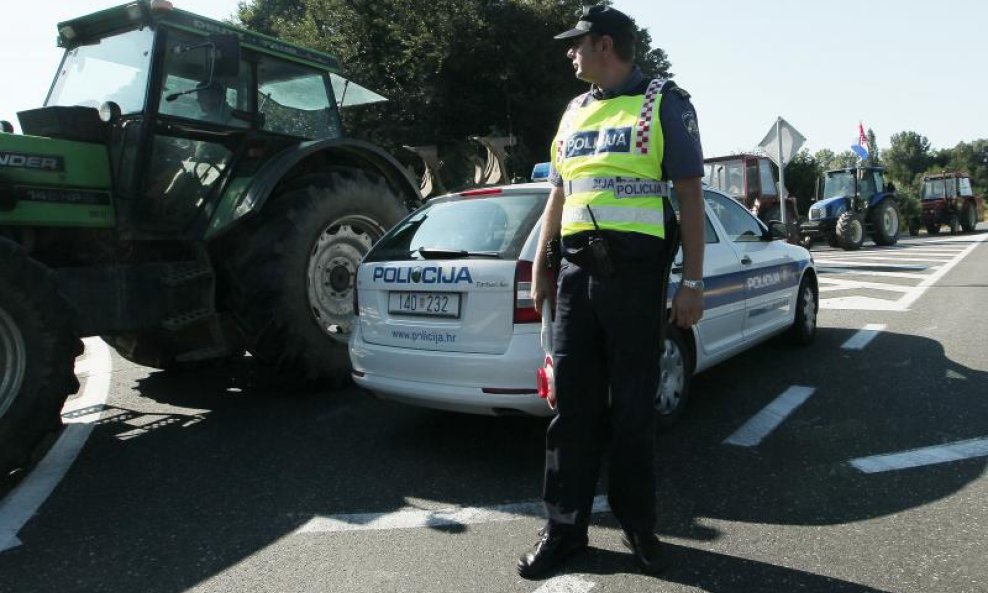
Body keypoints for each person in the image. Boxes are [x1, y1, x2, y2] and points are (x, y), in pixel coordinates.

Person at [517, 4, 706, 579]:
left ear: (604, 44)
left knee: (631, 407)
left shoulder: (664, 103)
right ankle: (564, 529)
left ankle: (638, 525)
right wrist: (542, 264)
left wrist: (692, 281)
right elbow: (559, 194)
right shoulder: (572, 112)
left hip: (636, 277)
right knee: (570, 407)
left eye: (576, 43)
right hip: (576, 275)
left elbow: (691, 197)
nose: (569, 53)